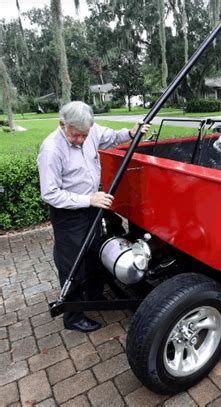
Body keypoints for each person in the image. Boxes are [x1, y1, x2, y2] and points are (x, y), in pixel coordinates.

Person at [37, 101, 150, 332]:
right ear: (62, 124)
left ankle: (93, 295)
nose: (80, 140)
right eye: (75, 135)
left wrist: (129, 132)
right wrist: (87, 200)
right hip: (69, 213)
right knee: (72, 262)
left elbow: (110, 137)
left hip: (93, 205)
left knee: (93, 251)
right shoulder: (51, 150)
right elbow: (49, 193)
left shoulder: (92, 131)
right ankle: (73, 316)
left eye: (84, 135)